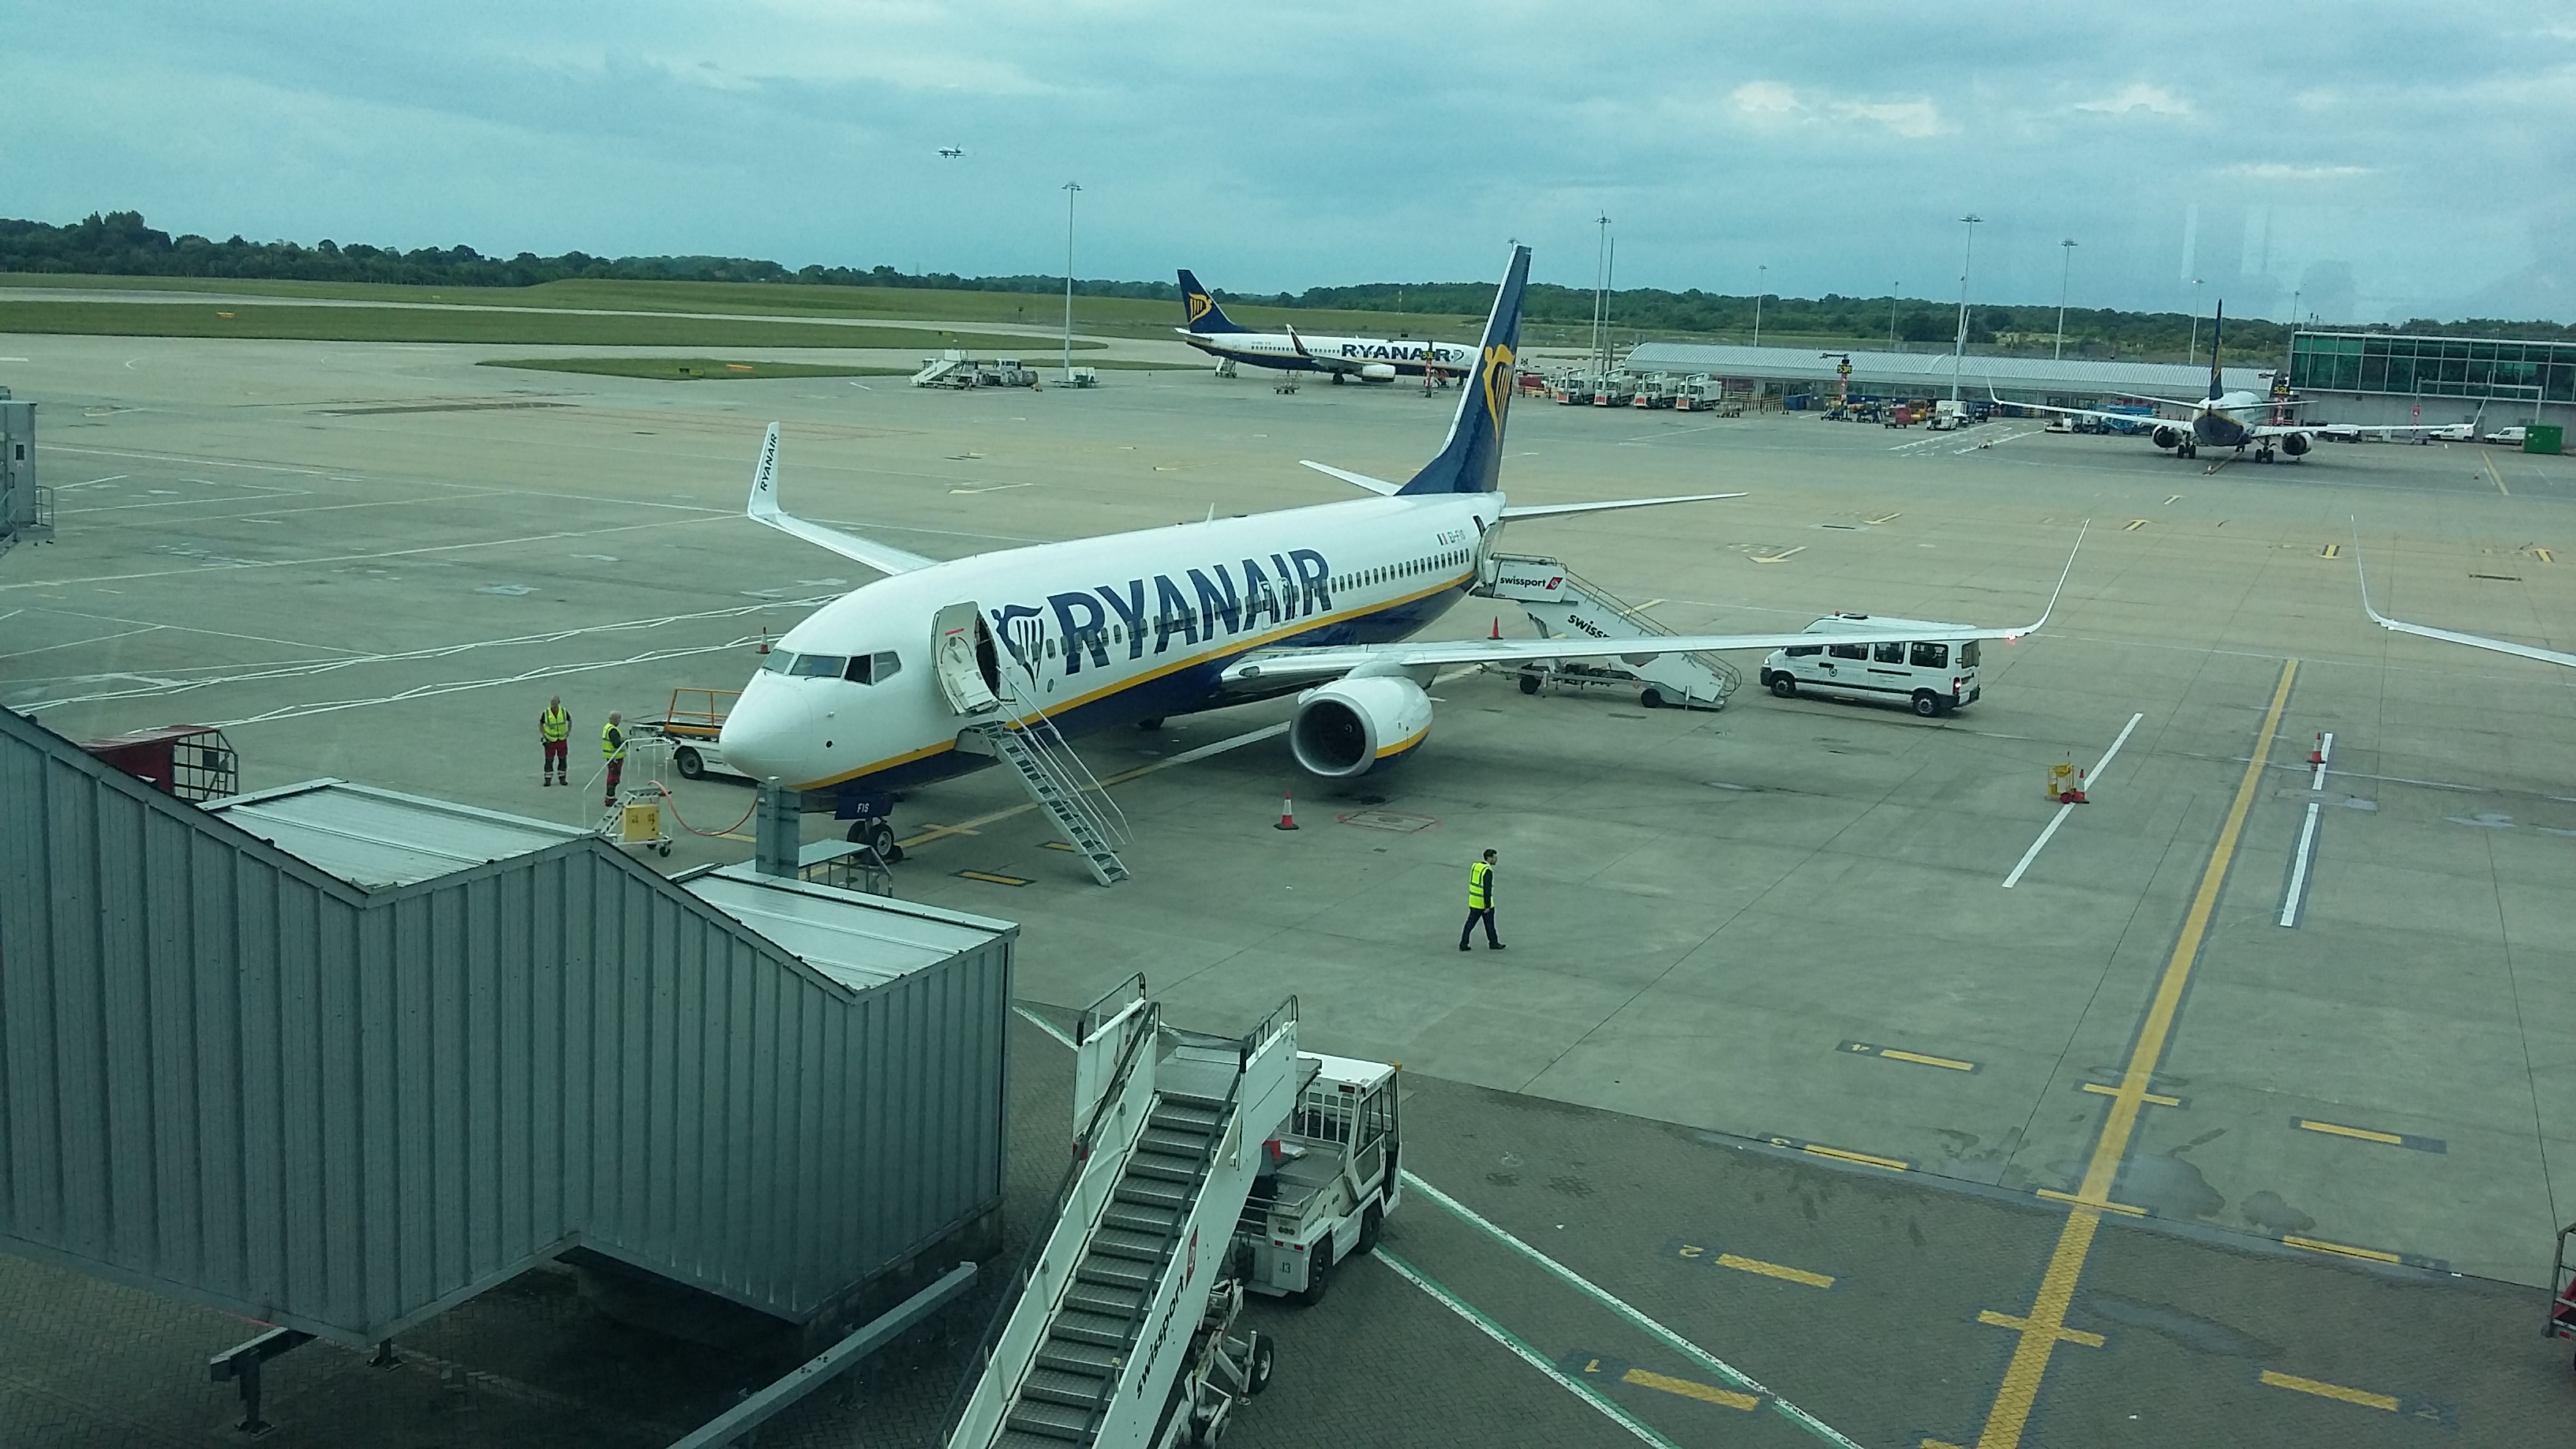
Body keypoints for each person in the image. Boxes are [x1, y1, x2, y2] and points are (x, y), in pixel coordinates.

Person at [1459, 848, 1504, 952]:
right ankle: (1493, 943)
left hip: (1474, 901)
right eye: (1494, 857)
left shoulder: (1476, 866)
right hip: (1483, 903)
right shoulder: (1487, 871)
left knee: (1469, 924)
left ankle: (1464, 942)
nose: (1495, 859)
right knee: (1490, 924)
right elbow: (1487, 889)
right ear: (1489, 858)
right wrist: (1487, 905)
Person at [538, 696, 571, 786]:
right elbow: (541, 723)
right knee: (549, 760)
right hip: (550, 741)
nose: (553, 704)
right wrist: (544, 735)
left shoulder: (563, 712)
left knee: (562, 760)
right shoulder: (546, 713)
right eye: (552, 702)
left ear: (558, 703)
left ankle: (562, 778)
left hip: (561, 740)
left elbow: (570, 720)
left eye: (554, 702)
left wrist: (568, 731)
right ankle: (548, 779)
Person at [601, 712, 627, 808]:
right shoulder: (613, 731)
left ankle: (610, 797)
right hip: (615, 758)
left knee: (612, 777)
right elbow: (616, 744)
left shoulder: (608, 728)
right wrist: (624, 742)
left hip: (612, 757)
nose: (620, 721)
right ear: (614, 719)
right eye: (619, 719)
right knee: (613, 778)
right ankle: (610, 799)